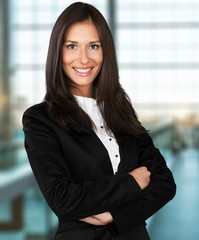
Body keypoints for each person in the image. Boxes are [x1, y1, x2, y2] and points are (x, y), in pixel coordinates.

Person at [22, 2, 176, 240]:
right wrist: (131, 182)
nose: (83, 59)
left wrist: (113, 214)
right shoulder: (40, 119)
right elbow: (63, 199)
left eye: (93, 46)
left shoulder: (120, 109)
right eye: (72, 46)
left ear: (105, 52)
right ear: (58, 52)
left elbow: (165, 183)